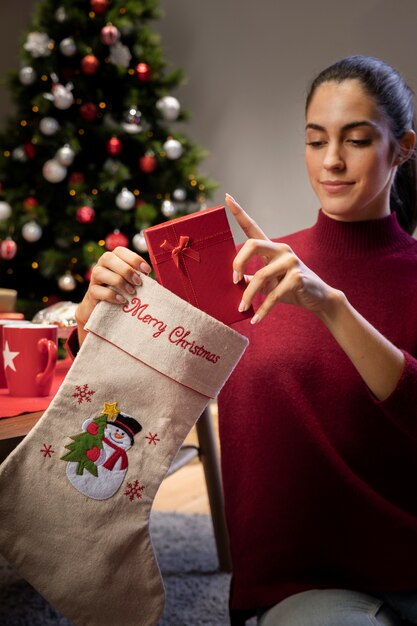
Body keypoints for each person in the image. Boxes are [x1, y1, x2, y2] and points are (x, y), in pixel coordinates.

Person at [73, 55, 417, 625]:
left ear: (402, 147)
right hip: (307, 587)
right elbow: (132, 391)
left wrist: (332, 305)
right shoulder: (251, 272)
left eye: (356, 140)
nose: (331, 160)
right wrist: (98, 314)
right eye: (315, 140)